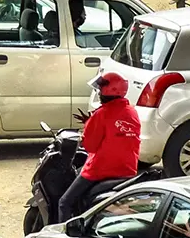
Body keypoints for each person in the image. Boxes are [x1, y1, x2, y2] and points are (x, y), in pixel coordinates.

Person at [56, 73, 140, 222]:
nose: (99, 93)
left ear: (109, 91)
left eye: (101, 90)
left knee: (64, 202)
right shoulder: (132, 112)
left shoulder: (101, 114)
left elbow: (90, 147)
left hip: (102, 170)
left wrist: (89, 125)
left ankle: (62, 237)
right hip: (128, 170)